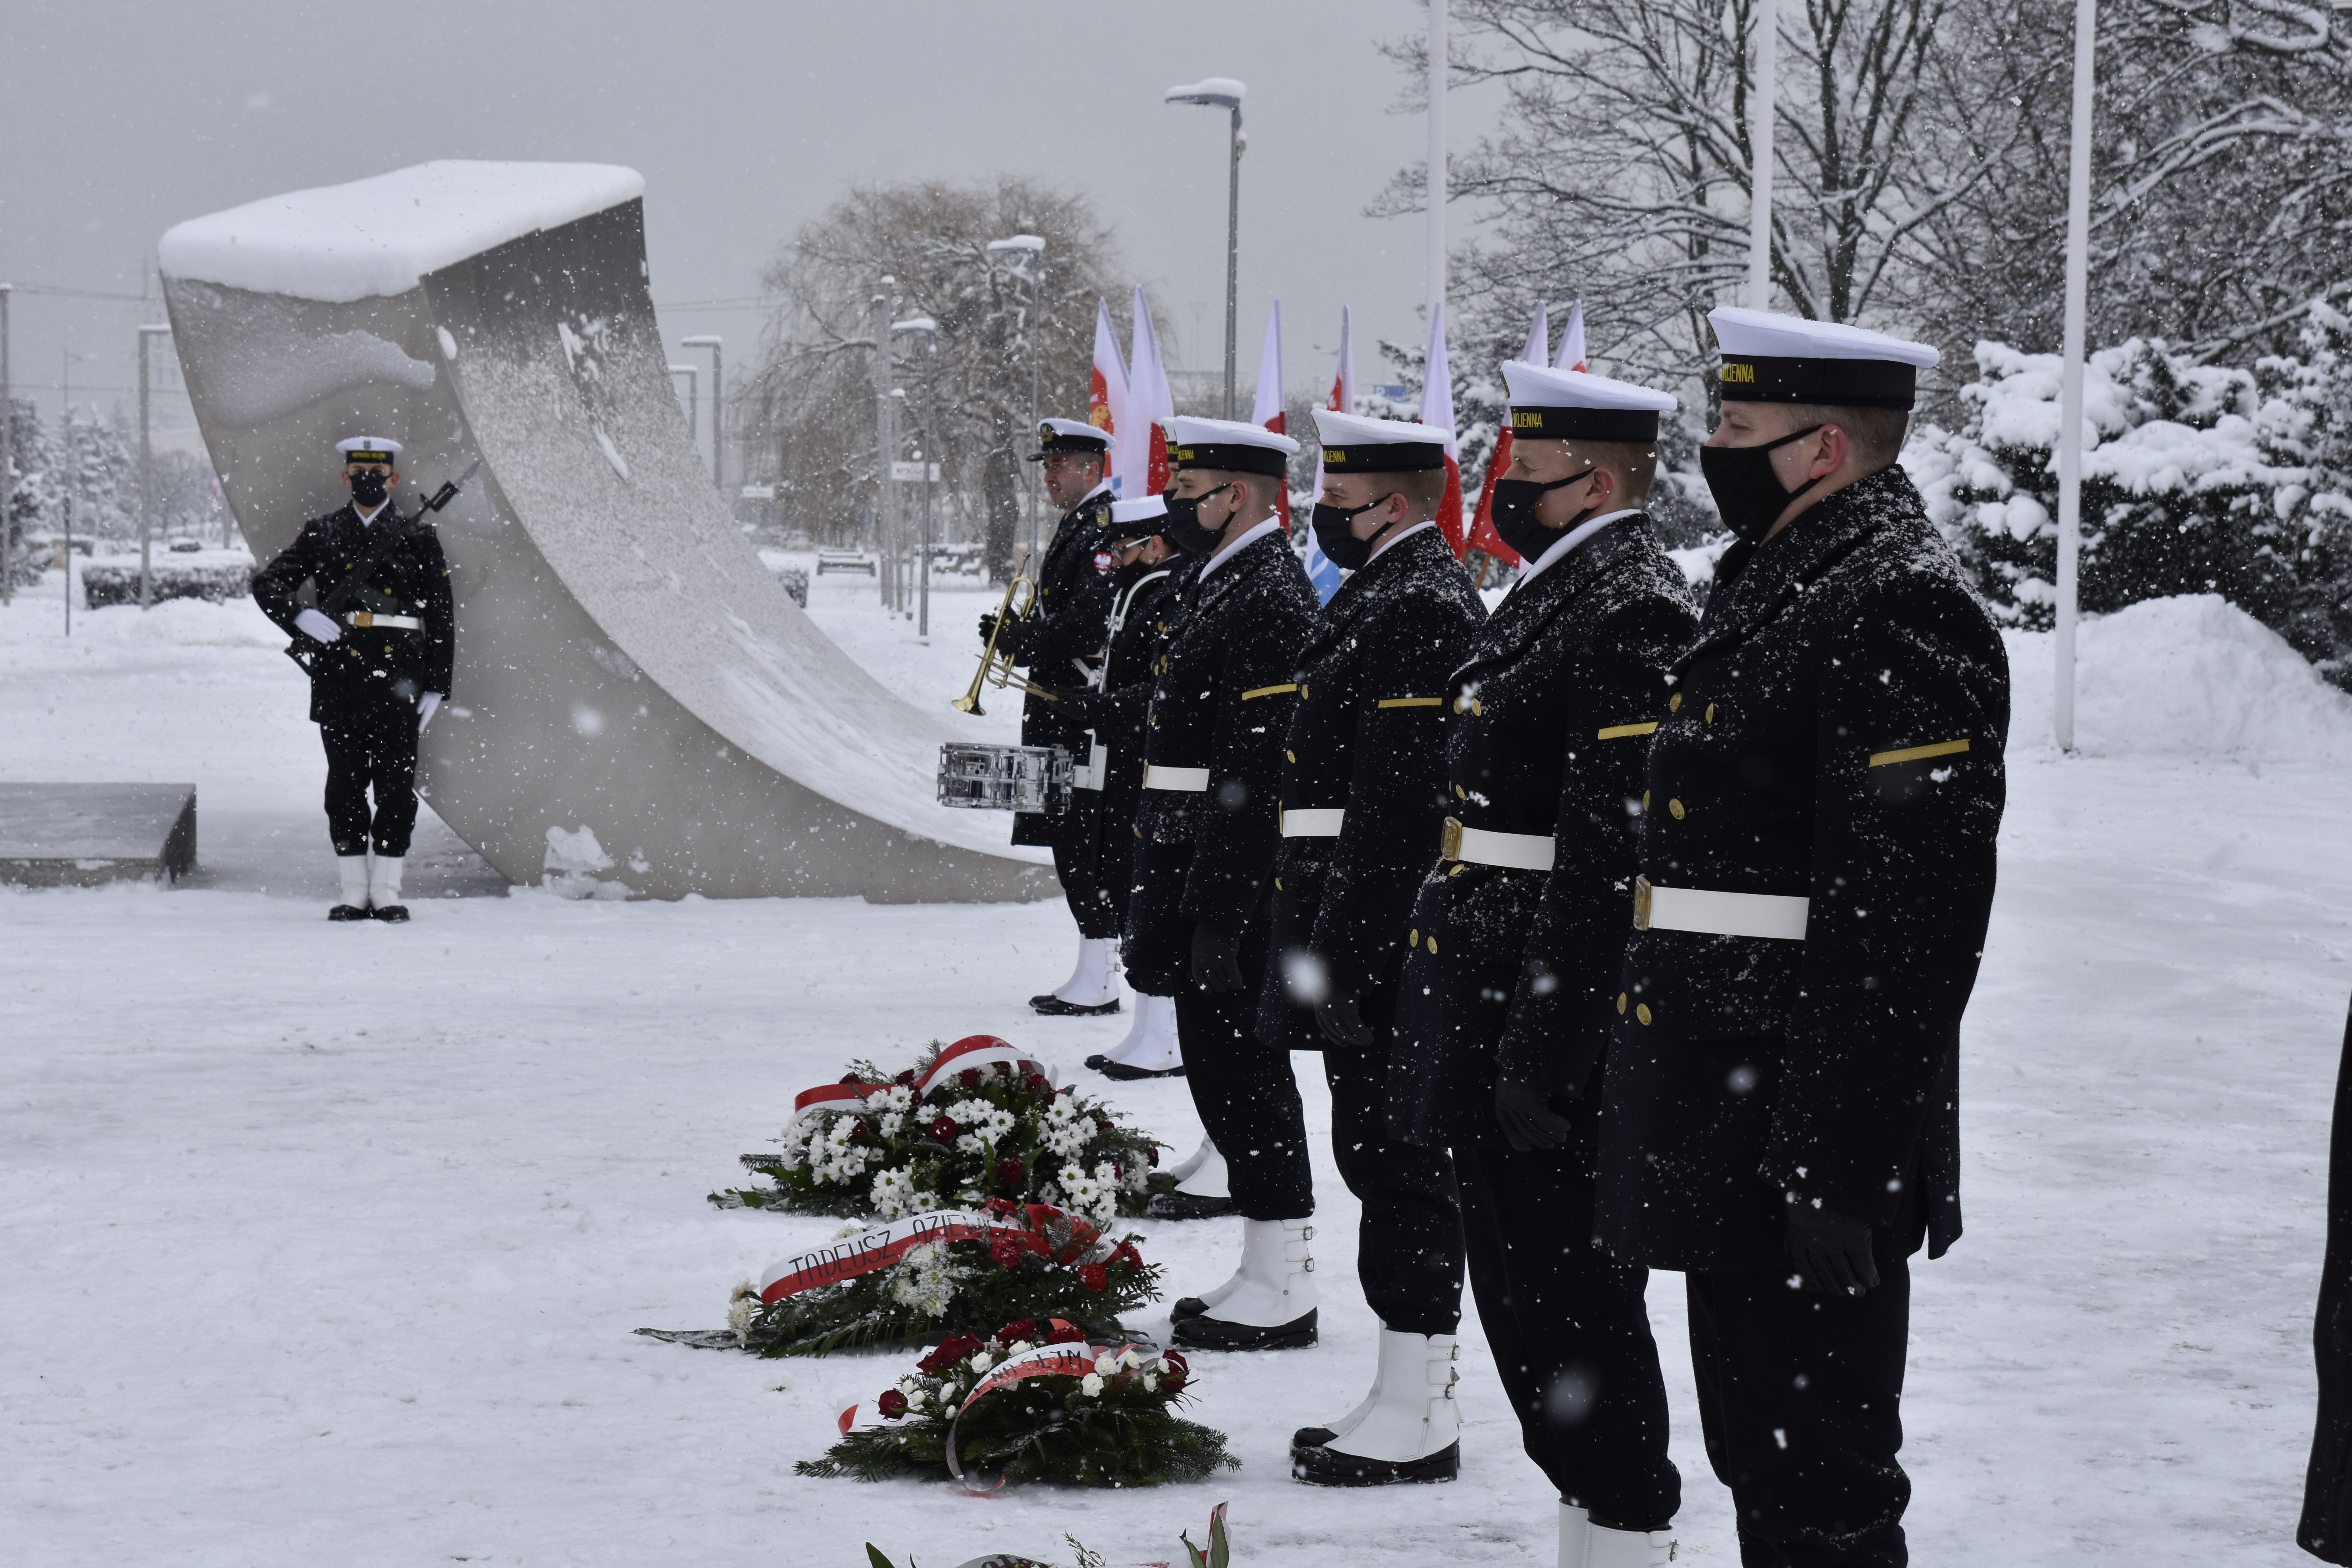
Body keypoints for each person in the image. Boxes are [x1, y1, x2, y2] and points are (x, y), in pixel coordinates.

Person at [1599, 308, 2009, 1568]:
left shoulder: (1894, 605)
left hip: (1800, 1118)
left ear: (1822, 446)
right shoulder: (1788, 576)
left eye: (1733, 428)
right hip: (1732, 1104)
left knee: (1818, 1476)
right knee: (1758, 1457)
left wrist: (1836, 1160)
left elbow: (1904, 927)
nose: (1709, 449)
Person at [1388, 365, 1697, 1562]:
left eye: (1520, 477)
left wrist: (1545, 1041)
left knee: (1572, 1306)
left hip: (1539, 1001)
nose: (1497, 498)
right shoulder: (1563, 587)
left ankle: (1621, 1534)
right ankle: (1588, 1532)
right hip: (1492, 976)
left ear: (1598, 480)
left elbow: (1606, 849)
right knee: (1525, 1299)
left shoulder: (1630, 604)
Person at [1244, 410, 1485, 1485]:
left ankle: (1420, 1401)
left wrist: (1346, 957)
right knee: (1375, 1157)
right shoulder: (1386, 593)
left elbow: (1394, 812)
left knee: (1402, 1168)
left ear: (1391, 504)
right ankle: (1401, 1384)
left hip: (1383, 935)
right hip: (1352, 920)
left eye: (1335, 507)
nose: (1319, 523)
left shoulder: (1422, 603)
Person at [1119, 415, 1320, 1348]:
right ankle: (1262, 1259)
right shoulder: (1224, 581)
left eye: (1185, 491)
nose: (1173, 509)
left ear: (1234, 495)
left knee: (1247, 1070)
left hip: (1225, 872)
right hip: (1188, 857)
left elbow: (1255, 773)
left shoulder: (1269, 595)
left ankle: (1285, 1275)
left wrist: (1218, 907)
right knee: (1220, 1067)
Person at [252, 436, 454, 923]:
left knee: (395, 786)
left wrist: (437, 685)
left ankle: (387, 890)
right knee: (343, 786)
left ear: (394, 479)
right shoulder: (322, 533)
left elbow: (443, 618)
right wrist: (298, 616)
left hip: (399, 681)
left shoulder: (419, 537)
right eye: (358, 471)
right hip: (340, 675)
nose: (368, 479)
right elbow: (268, 582)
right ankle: (353, 891)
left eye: (377, 472)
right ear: (345, 477)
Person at [985, 418, 1122, 1016]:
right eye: (1046, 466)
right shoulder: (1078, 526)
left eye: (1059, 465)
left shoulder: (1101, 530)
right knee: (1071, 844)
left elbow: (1090, 626)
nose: (1049, 475)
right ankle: (1094, 969)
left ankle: (1101, 975)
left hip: (1077, 711)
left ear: (1092, 469)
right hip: (1060, 707)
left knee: (1082, 844)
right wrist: (1023, 638)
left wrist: (1026, 640)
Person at [1056, 495, 1190, 1080]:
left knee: (1146, 893)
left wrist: (1108, 710)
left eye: (1125, 547)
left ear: (1155, 546)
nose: (1116, 558)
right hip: (1128, 758)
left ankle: (1165, 1035)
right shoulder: (1140, 592)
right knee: (1121, 878)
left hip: (1151, 764)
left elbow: (1168, 689)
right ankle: (1150, 1026)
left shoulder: (1168, 591)